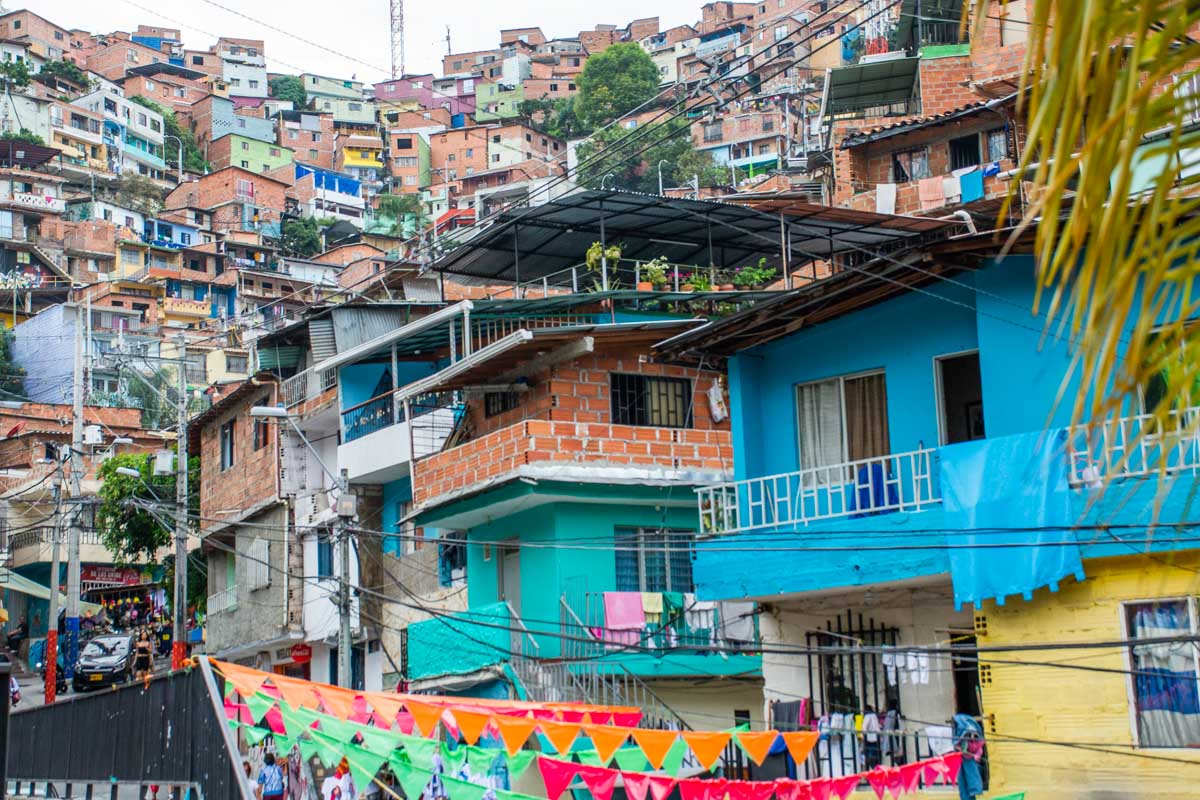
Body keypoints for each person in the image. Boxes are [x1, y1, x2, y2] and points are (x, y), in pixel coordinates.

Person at [952, 713, 985, 800]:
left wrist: (976, 756)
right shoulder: (963, 740)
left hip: (972, 762)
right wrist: (961, 749)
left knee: (972, 780)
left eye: (974, 735)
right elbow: (956, 745)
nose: (972, 737)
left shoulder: (977, 742)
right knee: (963, 784)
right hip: (961, 761)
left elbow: (979, 749)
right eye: (969, 735)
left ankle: (974, 792)